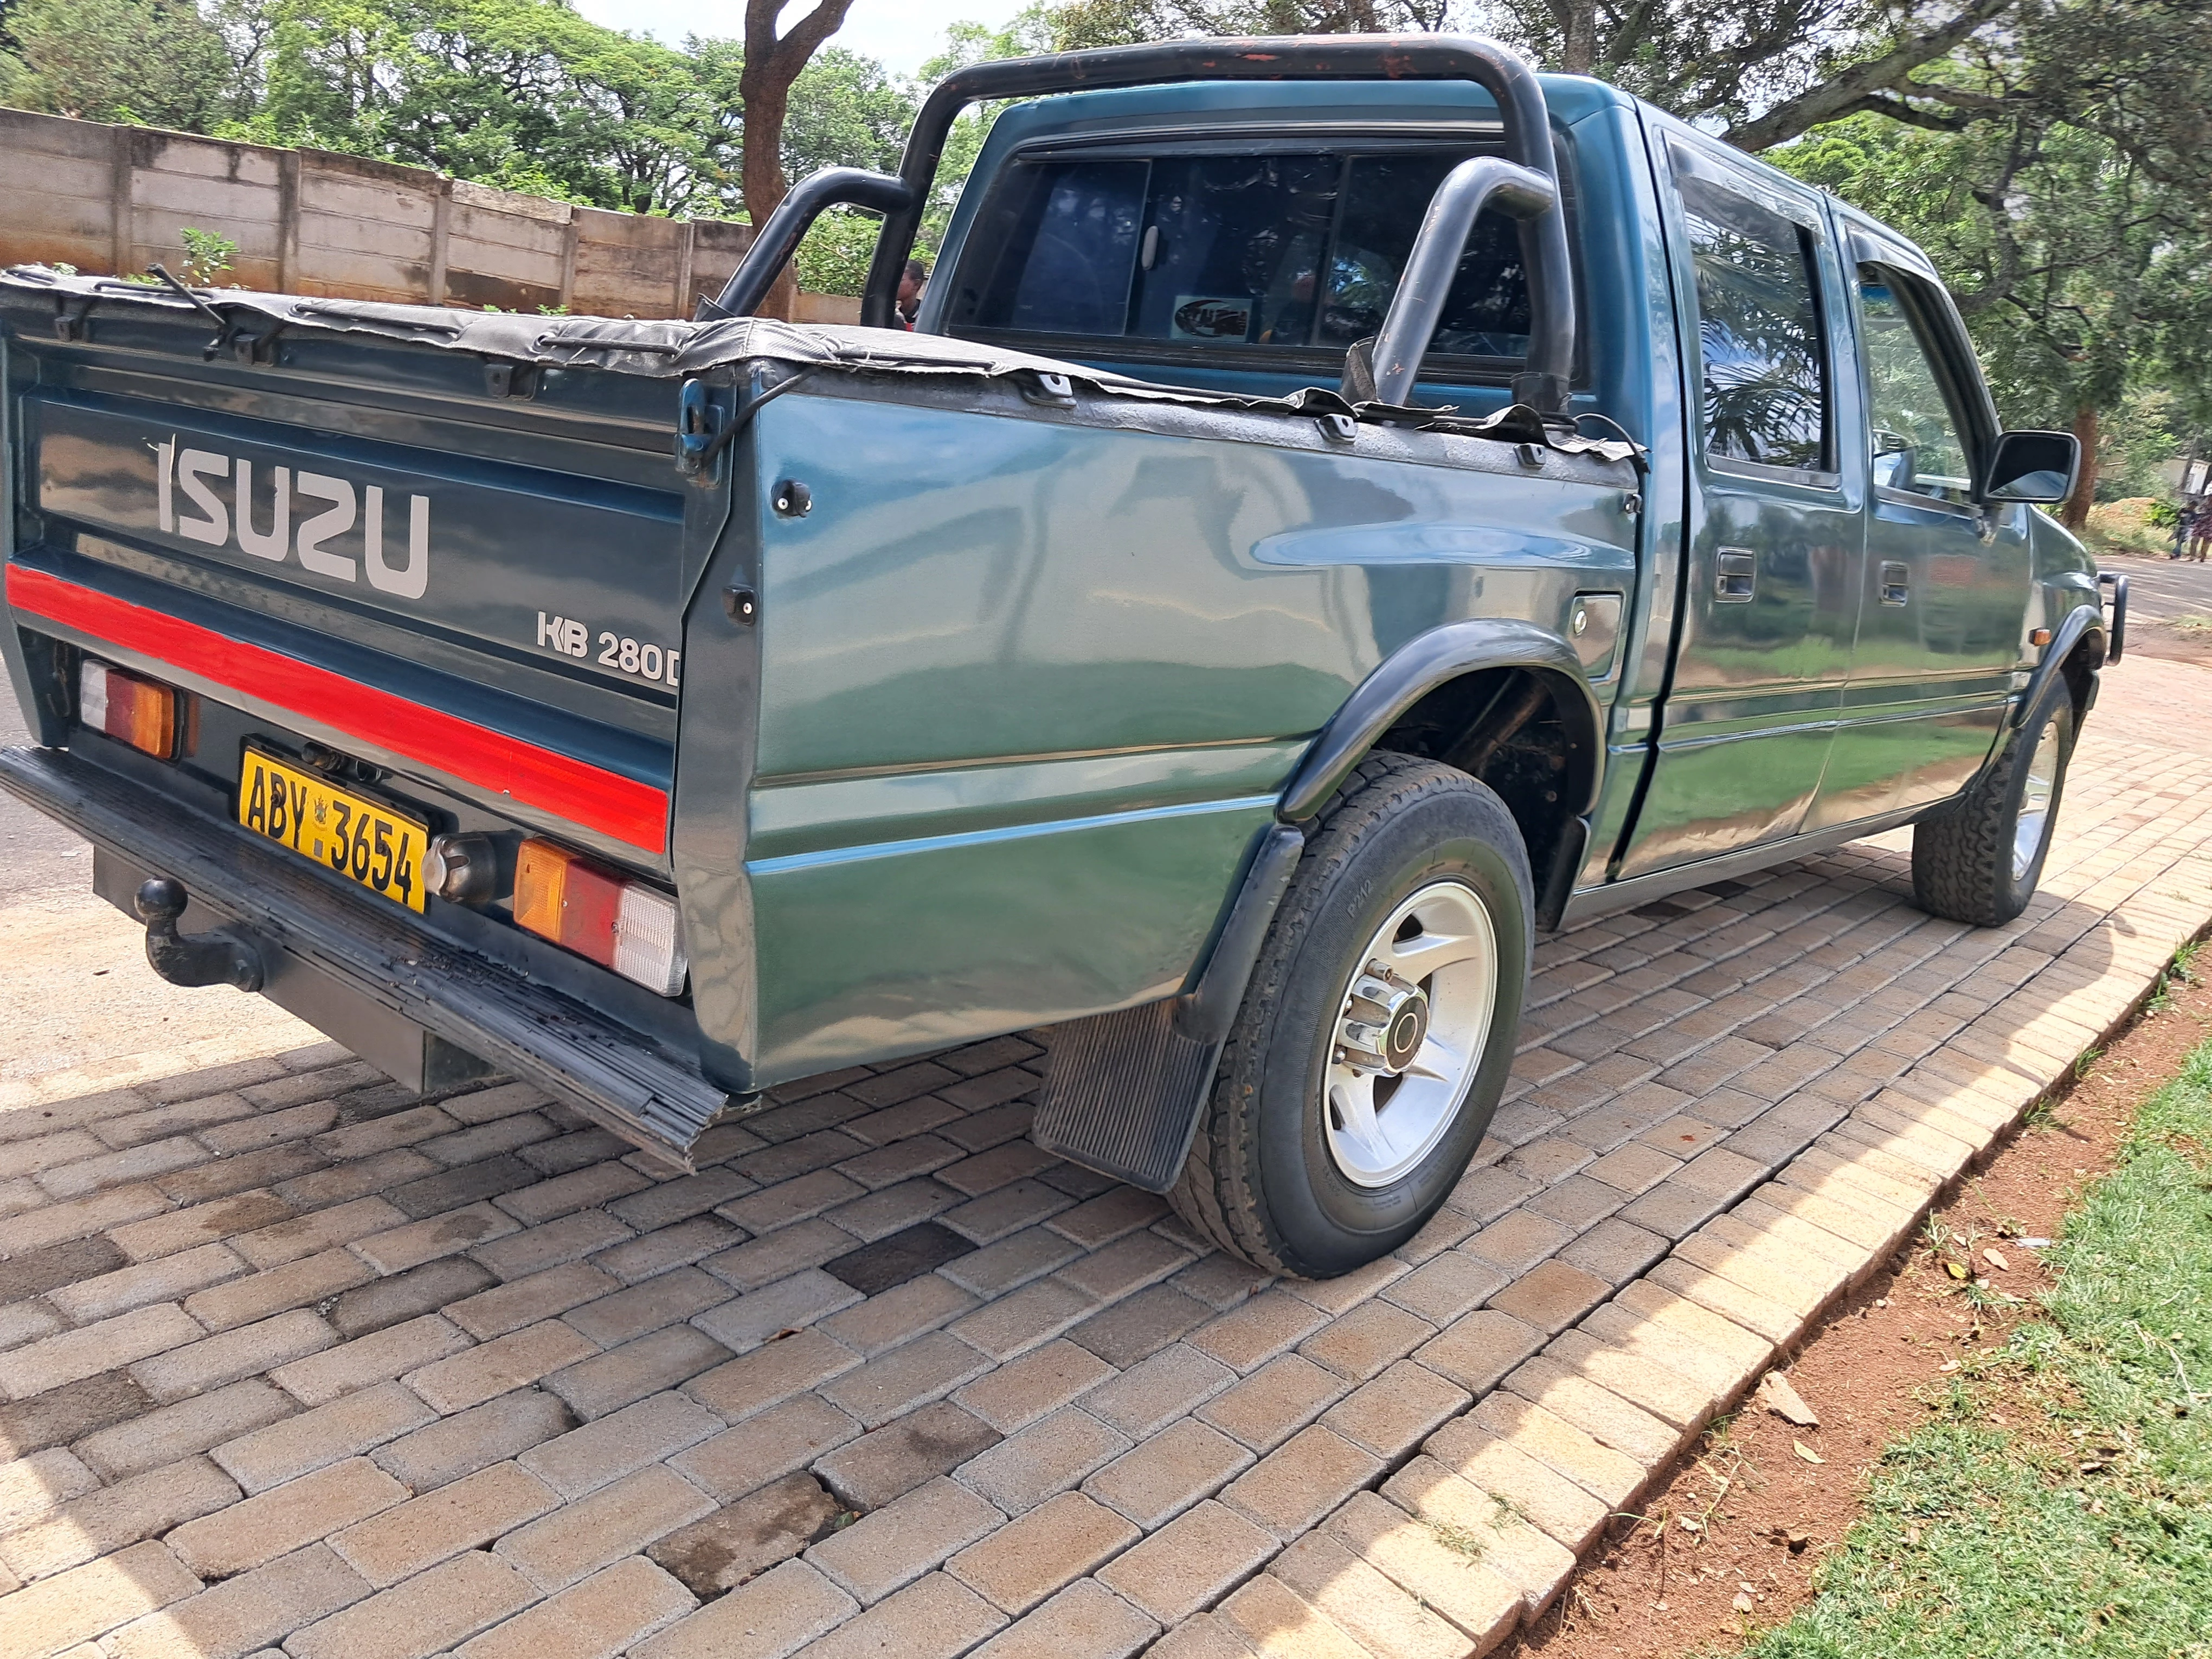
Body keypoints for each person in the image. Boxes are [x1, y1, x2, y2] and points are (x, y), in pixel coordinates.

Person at [896, 260, 928, 329]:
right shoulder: (893, 313)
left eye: (900, 280)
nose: (893, 284)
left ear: (916, 285)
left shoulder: (927, 317)